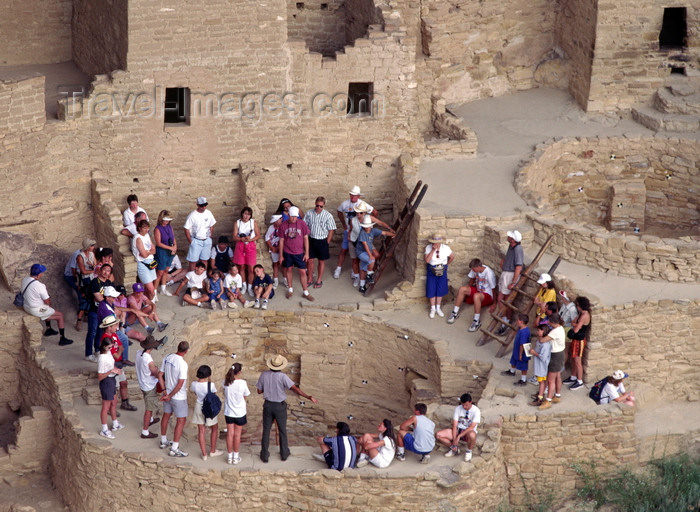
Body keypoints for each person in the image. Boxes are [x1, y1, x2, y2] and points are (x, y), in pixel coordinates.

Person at [256, 354, 318, 463]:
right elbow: (295, 389)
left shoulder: (264, 375)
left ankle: (264, 454)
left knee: (266, 430)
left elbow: (259, 391)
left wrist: (268, 388)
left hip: (268, 405)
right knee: (282, 430)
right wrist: (308, 397)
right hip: (279, 406)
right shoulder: (283, 377)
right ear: (280, 366)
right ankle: (284, 453)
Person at [333, 185, 380, 283]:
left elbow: (375, 212)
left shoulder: (362, 204)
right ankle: (339, 269)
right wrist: (344, 225)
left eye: (355, 196)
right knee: (344, 250)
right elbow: (339, 212)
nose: (353, 197)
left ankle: (358, 272)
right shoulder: (345, 204)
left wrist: (367, 222)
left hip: (360, 233)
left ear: (359, 196)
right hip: (349, 232)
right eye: (351, 195)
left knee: (361, 253)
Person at [21, 264, 73, 346]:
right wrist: (49, 307)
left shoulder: (25, 279)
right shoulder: (40, 286)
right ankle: (62, 338)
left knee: (47, 309)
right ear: (39, 275)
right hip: (36, 309)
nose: (42, 274)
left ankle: (49, 329)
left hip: (26, 306)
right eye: (42, 273)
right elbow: (47, 301)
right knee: (59, 315)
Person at [159, 341, 190, 457]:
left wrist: (164, 390)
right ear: (186, 351)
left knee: (166, 415)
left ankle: (163, 440)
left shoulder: (168, 357)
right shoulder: (182, 364)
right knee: (181, 420)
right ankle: (174, 448)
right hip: (178, 396)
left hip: (167, 392)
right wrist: (170, 396)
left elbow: (160, 375)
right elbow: (179, 384)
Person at [100, 315, 138, 411]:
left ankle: (125, 403)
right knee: (114, 388)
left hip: (118, 364)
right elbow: (116, 354)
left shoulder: (114, 335)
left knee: (123, 383)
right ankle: (111, 409)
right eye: (114, 324)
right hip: (113, 365)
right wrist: (120, 351)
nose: (116, 326)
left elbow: (120, 346)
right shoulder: (106, 339)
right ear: (109, 327)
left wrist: (119, 350)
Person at [448, 258, 496, 331]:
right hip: (478, 290)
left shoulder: (489, 273)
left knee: (476, 296)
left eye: (474, 269)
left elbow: (493, 289)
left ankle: (476, 322)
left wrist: (494, 303)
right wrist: (467, 292)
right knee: (462, 289)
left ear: (479, 267)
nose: (473, 271)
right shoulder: (476, 268)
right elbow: (471, 279)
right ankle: (454, 313)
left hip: (487, 295)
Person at [278, 206, 314, 301]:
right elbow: (281, 240)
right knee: (288, 269)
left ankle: (305, 291)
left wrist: (307, 253)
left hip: (299, 252)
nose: (294, 218)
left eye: (295, 216)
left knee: (302, 271)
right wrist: (281, 255)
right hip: (287, 251)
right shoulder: (283, 225)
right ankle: (290, 289)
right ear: (288, 215)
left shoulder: (302, 223)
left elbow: (306, 238)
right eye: (292, 216)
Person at [492, 230, 524, 336]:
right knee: (502, 299)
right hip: (506, 273)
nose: (508, 237)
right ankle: (504, 320)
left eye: (510, 236)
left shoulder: (518, 249)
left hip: (510, 275)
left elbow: (518, 266)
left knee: (505, 300)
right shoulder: (512, 247)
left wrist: (514, 282)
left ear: (513, 240)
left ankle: (505, 322)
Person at [190, 365, 223, 460]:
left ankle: (204, 454)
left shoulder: (194, 384)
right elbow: (213, 395)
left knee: (201, 431)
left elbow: (195, 393)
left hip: (199, 406)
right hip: (209, 407)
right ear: (208, 375)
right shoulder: (210, 385)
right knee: (214, 428)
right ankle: (212, 451)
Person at [436, 393, 480, 462]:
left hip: (467, 432)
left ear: (470, 402)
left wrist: (459, 436)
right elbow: (455, 425)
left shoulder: (476, 411)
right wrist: (454, 440)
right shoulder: (458, 409)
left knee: (472, 435)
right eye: (463, 405)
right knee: (438, 435)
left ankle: (469, 451)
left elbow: (471, 427)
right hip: (458, 430)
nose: (464, 407)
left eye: (466, 405)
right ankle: (454, 448)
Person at [303, 196, 337, 288]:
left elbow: (331, 230)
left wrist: (327, 242)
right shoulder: (309, 213)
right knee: (310, 260)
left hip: (322, 240)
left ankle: (319, 279)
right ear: (315, 204)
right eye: (317, 205)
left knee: (321, 261)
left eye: (321, 206)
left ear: (324, 206)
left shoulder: (328, 215)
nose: (318, 208)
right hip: (312, 239)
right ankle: (310, 278)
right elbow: (304, 226)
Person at [355, 217, 395, 293]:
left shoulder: (374, 231)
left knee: (363, 268)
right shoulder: (362, 233)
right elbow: (365, 245)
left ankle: (362, 286)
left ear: (370, 226)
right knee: (372, 260)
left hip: (366, 251)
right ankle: (369, 274)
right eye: (365, 227)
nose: (366, 228)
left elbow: (385, 233)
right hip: (361, 252)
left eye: (367, 227)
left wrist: (393, 234)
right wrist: (370, 255)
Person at [135, 336, 163, 439]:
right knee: (149, 409)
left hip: (142, 382)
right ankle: (145, 431)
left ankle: (150, 420)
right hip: (149, 385)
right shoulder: (149, 360)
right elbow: (155, 373)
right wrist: (157, 370)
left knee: (148, 404)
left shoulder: (139, 353)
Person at [96, 337, 124, 439]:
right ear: (104, 346)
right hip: (106, 382)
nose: (111, 349)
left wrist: (115, 370)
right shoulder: (102, 358)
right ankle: (104, 429)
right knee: (106, 406)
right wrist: (111, 371)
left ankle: (115, 423)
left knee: (114, 401)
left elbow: (111, 366)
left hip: (111, 380)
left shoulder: (108, 353)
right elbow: (100, 376)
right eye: (109, 347)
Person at [223, 363, 250, 465]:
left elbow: (224, 392)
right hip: (239, 412)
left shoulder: (225, 382)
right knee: (237, 435)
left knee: (230, 434)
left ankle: (229, 457)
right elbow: (245, 395)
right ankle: (236, 456)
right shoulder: (242, 383)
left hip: (229, 412)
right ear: (239, 372)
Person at [85, 263, 113, 360]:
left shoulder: (109, 283)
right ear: (100, 271)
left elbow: (111, 298)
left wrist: (105, 299)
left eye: (108, 271)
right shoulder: (95, 282)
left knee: (100, 332)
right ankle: (88, 354)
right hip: (94, 310)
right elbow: (99, 298)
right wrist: (107, 299)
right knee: (92, 332)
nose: (106, 272)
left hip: (103, 312)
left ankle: (97, 350)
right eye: (104, 269)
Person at [538, 313, 566, 410]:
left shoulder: (555, 332)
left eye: (550, 321)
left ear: (553, 322)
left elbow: (543, 340)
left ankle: (548, 400)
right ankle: (557, 395)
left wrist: (540, 336)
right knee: (557, 375)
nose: (549, 323)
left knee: (550, 380)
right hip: (560, 354)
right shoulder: (560, 328)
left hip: (555, 356)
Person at [424, 233, 455, 319]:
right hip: (431, 269)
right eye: (433, 242)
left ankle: (438, 308)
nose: (435, 244)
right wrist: (433, 250)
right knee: (431, 288)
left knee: (440, 288)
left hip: (442, 269)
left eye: (436, 243)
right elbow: (427, 260)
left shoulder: (446, 248)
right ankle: (433, 308)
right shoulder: (429, 248)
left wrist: (446, 265)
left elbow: (452, 256)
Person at [565, 296, 592, 391]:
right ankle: (573, 377)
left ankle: (580, 381)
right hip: (577, 339)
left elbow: (576, 329)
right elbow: (576, 324)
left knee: (577, 361)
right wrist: (575, 324)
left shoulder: (584, 316)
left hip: (579, 340)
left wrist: (574, 325)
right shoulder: (582, 314)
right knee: (574, 359)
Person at [232, 207, 260, 295]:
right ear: (242, 214)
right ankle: (243, 286)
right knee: (241, 267)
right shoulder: (237, 223)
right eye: (245, 214)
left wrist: (250, 239)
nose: (246, 216)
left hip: (250, 246)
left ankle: (250, 287)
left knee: (251, 268)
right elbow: (234, 236)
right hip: (240, 245)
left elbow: (258, 235)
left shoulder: (253, 223)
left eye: (248, 214)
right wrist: (241, 238)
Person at [184, 196, 216, 271]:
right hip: (196, 240)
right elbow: (186, 228)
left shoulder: (208, 213)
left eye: (205, 205)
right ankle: (192, 278)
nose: (204, 207)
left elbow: (212, 225)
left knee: (204, 260)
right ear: (197, 205)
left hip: (207, 239)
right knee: (193, 261)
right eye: (202, 206)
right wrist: (190, 241)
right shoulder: (192, 215)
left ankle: (203, 277)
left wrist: (210, 235)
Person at [131, 219, 158, 301]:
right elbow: (143, 255)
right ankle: (151, 306)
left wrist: (148, 252)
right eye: (144, 228)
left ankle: (147, 305)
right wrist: (149, 252)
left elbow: (154, 250)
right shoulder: (138, 238)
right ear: (139, 228)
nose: (147, 230)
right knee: (151, 290)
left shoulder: (146, 236)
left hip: (150, 263)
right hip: (143, 264)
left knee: (147, 289)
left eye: (147, 228)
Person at [502, 314, 531, 385]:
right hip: (517, 349)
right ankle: (512, 371)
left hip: (523, 350)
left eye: (518, 320)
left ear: (521, 321)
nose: (516, 322)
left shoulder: (524, 332)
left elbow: (522, 345)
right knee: (514, 359)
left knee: (523, 364)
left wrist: (520, 354)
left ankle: (523, 380)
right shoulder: (521, 329)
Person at [154, 210, 177, 297]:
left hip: (170, 251)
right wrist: (170, 248)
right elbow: (159, 243)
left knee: (166, 270)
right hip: (162, 251)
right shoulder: (158, 229)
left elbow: (173, 237)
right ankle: (154, 292)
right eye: (165, 220)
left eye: (168, 220)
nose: (167, 222)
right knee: (160, 272)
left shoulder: (169, 227)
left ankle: (163, 288)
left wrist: (175, 246)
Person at [529, 323, 552, 407]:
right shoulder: (540, 341)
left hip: (542, 367)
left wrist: (534, 353)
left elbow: (543, 357)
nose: (537, 331)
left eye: (539, 330)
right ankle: (540, 393)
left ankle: (540, 398)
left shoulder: (545, 345)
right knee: (542, 381)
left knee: (541, 382)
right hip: (539, 366)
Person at [63, 244, 84, 330]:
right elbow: (73, 269)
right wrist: (76, 281)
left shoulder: (88, 254)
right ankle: (80, 316)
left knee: (84, 293)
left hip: (81, 275)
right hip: (71, 276)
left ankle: (84, 313)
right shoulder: (77, 254)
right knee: (81, 292)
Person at [264, 214, 283, 288]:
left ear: (280, 219)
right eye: (274, 222)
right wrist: (271, 247)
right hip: (274, 249)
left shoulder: (283, 227)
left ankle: (285, 280)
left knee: (284, 265)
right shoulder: (271, 228)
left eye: (276, 221)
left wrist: (278, 248)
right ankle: (276, 280)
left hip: (282, 248)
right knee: (275, 264)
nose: (275, 223)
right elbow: (267, 237)